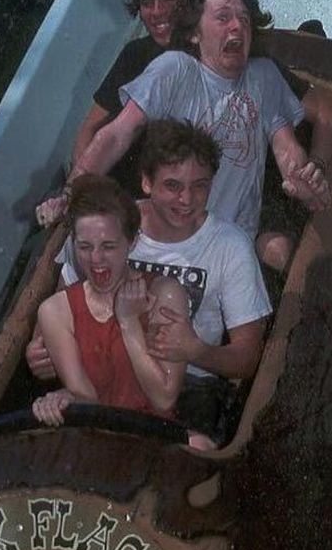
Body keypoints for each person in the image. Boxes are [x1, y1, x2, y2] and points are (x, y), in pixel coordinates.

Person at [39, 0, 332, 273]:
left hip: (222, 247)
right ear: (196, 34)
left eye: (244, 19)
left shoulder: (263, 76)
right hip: (162, 233)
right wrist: (69, 193)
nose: (237, 26)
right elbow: (116, 135)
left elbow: (286, 146)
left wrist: (303, 178)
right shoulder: (176, 69)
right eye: (223, 18)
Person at [30, 120, 272, 443]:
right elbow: (62, 304)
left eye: (200, 186)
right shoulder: (108, 225)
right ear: (146, 182)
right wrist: (38, 349)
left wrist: (195, 350)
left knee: (194, 444)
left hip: (190, 385)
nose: (186, 199)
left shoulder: (231, 246)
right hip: (101, 373)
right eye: (173, 186)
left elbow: (248, 358)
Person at [32, 173, 190, 431]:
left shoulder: (166, 294)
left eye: (108, 246)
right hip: (95, 436)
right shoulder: (55, 311)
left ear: (132, 242)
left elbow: (163, 399)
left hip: (155, 435)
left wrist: (129, 323)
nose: (96, 259)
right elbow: (86, 400)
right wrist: (62, 399)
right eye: (85, 247)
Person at [71, 0, 203, 196]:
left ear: (190, 1)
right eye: (147, 2)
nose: (156, 11)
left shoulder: (213, 54)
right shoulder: (135, 53)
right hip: (120, 192)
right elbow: (89, 130)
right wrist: (84, 193)